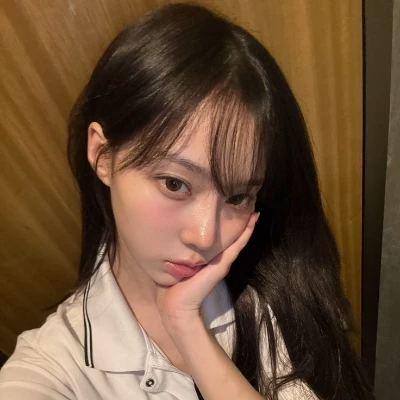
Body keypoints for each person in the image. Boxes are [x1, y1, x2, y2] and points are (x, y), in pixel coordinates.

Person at [0, 3, 373, 400]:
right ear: (102, 155)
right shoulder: (52, 367)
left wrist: (187, 327)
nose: (205, 236)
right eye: (175, 183)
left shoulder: (274, 292)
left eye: (237, 196)